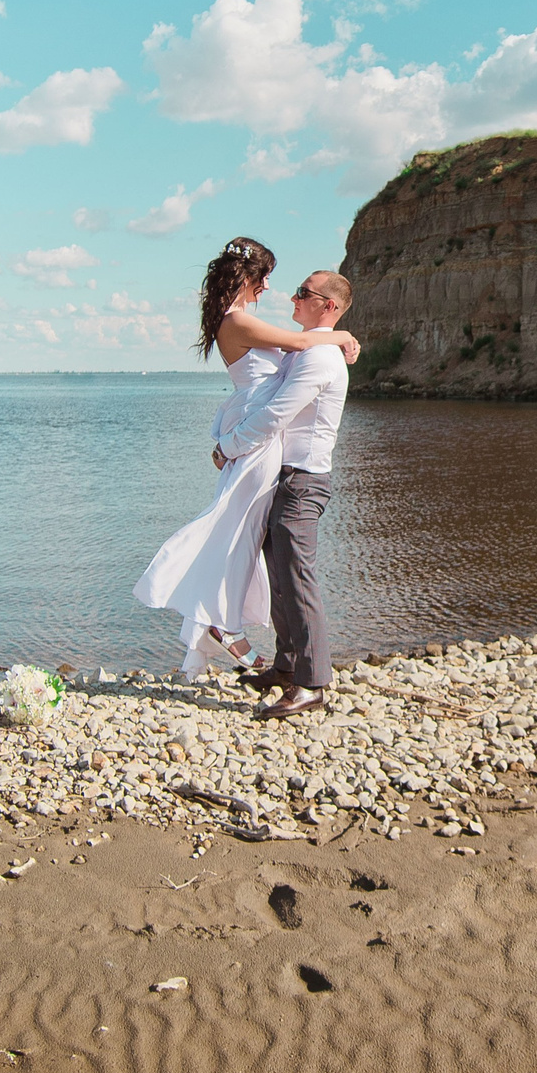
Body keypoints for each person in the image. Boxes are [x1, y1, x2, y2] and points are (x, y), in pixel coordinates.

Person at [134, 238, 359, 680]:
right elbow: (298, 342)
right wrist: (345, 335)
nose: (273, 288)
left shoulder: (243, 320)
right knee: (236, 533)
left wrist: (338, 339)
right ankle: (223, 625)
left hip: (262, 443)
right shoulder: (236, 321)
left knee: (242, 535)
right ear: (248, 277)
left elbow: (300, 350)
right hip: (256, 444)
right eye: (267, 277)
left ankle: (224, 628)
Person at [212, 270, 352, 722]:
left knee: (298, 579)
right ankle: (286, 665)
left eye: (304, 294)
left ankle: (312, 684)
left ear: (327, 306)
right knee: (279, 575)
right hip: (284, 477)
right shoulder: (310, 350)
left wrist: (228, 446)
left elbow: (275, 414)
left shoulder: (318, 359)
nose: (293, 297)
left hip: (303, 479)